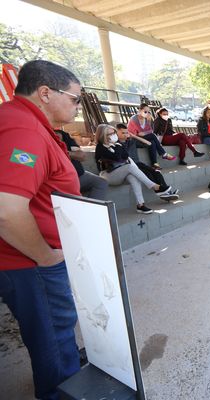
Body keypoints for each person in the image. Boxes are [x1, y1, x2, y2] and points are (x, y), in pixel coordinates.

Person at [0, 60, 83, 400]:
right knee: (53, 333)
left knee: (53, 334)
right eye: (75, 99)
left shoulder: (18, 119)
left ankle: (64, 371)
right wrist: (46, 257)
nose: (78, 106)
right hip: (31, 264)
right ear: (46, 93)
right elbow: (7, 210)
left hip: (27, 263)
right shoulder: (26, 131)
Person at [95, 124, 173, 214]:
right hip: (108, 175)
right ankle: (154, 186)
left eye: (114, 132)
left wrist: (117, 147)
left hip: (120, 173)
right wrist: (117, 148)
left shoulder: (117, 145)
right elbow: (118, 158)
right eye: (110, 134)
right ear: (103, 136)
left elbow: (125, 156)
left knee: (133, 177)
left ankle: (140, 205)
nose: (113, 135)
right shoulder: (101, 147)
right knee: (129, 166)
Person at [116, 124, 179, 200]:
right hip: (130, 166)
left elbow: (149, 143)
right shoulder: (116, 145)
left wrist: (134, 136)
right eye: (123, 133)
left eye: (126, 132)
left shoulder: (131, 142)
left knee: (156, 172)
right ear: (116, 133)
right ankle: (163, 193)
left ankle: (167, 193)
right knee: (148, 174)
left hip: (138, 163)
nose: (125, 134)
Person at [55, 129, 108, 200]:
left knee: (101, 183)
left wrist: (64, 152)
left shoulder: (64, 135)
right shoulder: (39, 136)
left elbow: (82, 156)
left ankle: (92, 209)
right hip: (59, 179)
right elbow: (34, 161)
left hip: (79, 174)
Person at [127, 103, 175, 170]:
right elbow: (131, 134)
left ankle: (154, 164)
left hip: (144, 139)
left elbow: (150, 131)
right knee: (152, 137)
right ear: (140, 110)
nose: (147, 113)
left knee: (152, 141)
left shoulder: (146, 119)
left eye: (148, 112)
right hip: (134, 140)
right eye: (145, 111)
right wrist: (140, 134)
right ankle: (163, 153)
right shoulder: (134, 119)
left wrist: (149, 122)